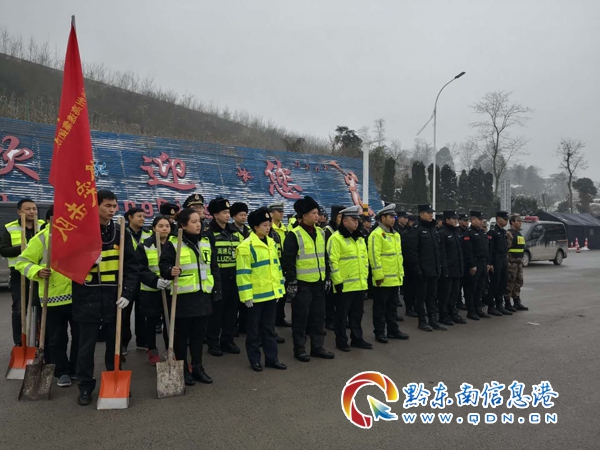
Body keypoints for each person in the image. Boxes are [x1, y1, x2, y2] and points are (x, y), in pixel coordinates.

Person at [73, 190, 138, 406]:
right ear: (96, 206)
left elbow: (132, 267)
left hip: (114, 298)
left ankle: (115, 379)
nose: (112, 210)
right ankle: (85, 386)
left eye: (114, 206)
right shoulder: (80, 232)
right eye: (107, 206)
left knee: (114, 344)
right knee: (86, 347)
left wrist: (127, 293)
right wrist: (86, 261)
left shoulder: (121, 232)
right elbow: (67, 265)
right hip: (87, 298)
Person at [16, 205, 79, 387]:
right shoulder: (42, 238)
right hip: (52, 297)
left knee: (80, 336)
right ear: (52, 218)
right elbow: (22, 261)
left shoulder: (77, 236)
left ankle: (76, 368)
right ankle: (62, 371)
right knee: (57, 338)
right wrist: (37, 271)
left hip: (78, 296)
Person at [160, 208, 221, 386]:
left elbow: (213, 267)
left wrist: (217, 291)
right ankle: (183, 369)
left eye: (198, 221)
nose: (198, 225)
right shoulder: (173, 243)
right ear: (183, 225)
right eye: (193, 222)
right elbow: (164, 265)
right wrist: (169, 271)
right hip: (183, 298)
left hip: (202, 296)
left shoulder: (205, 242)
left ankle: (198, 367)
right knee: (182, 336)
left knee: (198, 335)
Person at [282, 196, 334, 362]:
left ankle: (317, 347)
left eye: (317, 213)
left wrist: (327, 277)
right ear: (304, 216)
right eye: (313, 213)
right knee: (301, 318)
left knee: (318, 317)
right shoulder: (294, 234)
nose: (317, 216)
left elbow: (324, 257)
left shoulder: (321, 232)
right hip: (302, 284)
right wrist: (292, 281)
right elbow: (288, 260)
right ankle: (300, 349)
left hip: (318, 283)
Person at [236, 207, 287, 372]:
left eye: (269, 224)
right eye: (264, 225)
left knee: (269, 329)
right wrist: (246, 296)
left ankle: (272, 359)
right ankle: (254, 359)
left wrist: (279, 290)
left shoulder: (271, 242)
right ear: (255, 227)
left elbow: (276, 268)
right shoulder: (246, 246)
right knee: (253, 331)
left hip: (271, 294)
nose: (268, 228)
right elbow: (243, 273)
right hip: (255, 297)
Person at [0, 198, 45, 346]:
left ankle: (41, 341)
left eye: (34, 209)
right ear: (19, 212)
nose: (32, 212)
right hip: (19, 275)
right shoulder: (10, 228)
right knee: (19, 309)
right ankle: (20, 343)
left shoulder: (43, 226)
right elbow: (3, 250)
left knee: (41, 309)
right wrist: (23, 249)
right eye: (28, 209)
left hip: (39, 274)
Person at [328, 205, 372, 351]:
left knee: (357, 314)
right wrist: (337, 281)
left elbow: (364, 260)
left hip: (359, 283)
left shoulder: (359, 238)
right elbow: (332, 261)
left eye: (357, 220)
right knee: (341, 316)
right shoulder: (336, 238)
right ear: (344, 221)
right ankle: (341, 341)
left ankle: (357, 339)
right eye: (353, 220)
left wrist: (365, 278)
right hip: (344, 285)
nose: (356, 222)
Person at [206, 197, 243, 357]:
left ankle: (227, 340)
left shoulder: (235, 232)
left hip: (234, 277)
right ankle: (213, 342)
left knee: (231, 312)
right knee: (216, 313)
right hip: (218, 278)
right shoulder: (208, 233)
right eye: (224, 212)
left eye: (228, 212)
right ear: (215, 215)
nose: (228, 215)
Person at [368, 204, 409, 343]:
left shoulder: (396, 235)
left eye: (394, 217)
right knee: (380, 307)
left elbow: (398, 257)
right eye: (391, 217)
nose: (393, 219)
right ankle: (379, 332)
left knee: (392, 307)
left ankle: (393, 330)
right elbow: (374, 257)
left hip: (394, 278)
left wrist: (400, 273)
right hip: (383, 279)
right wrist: (378, 275)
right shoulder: (376, 235)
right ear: (383, 218)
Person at [136, 216, 172, 366]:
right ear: (154, 228)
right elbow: (140, 268)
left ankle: (170, 350)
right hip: (151, 290)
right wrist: (155, 281)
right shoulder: (145, 246)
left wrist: (171, 279)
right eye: (161, 226)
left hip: (170, 289)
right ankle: (152, 350)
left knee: (170, 322)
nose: (164, 229)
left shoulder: (175, 244)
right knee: (151, 322)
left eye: (167, 226)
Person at [404, 204, 445, 332]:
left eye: (431, 213)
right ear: (421, 214)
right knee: (421, 296)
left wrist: (438, 266)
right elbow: (412, 251)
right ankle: (422, 321)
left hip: (433, 269)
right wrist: (417, 269)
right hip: (422, 270)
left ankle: (433, 320)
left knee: (432, 296)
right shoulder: (416, 229)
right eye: (428, 213)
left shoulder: (433, 228)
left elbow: (437, 250)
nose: (431, 215)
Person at [122, 207, 152, 354]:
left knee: (142, 311)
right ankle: (123, 342)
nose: (142, 219)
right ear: (130, 217)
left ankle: (142, 340)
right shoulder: (122, 233)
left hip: (144, 277)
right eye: (139, 216)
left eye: (144, 216)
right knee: (125, 313)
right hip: (127, 278)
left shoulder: (149, 234)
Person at [438, 210, 467, 326]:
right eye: (454, 219)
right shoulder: (442, 233)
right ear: (447, 220)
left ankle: (453, 313)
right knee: (445, 294)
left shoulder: (456, 232)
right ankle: (443, 315)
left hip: (457, 268)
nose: (456, 221)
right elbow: (442, 253)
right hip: (448, 270)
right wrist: (444, 270)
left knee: (455, 293)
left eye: (456, 219)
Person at [462, 210, 491, 321]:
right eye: (479, 219)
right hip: (475, 263)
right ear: (473, 220)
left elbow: (486, 249)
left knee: (480, 287)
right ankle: (471, 311)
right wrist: (472, 265)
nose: (481, 221)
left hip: (483, 263)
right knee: (471, 288)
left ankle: (478, 308)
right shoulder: (468, 233)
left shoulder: (481, 232)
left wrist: (487, 262)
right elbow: (468, 251)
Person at [269, 201, 291, 328]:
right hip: (272, 265)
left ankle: (280, 317)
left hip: (283, 265)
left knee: (282, 294)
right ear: (271, 213)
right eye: (279, 211)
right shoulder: (269, 229)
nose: (282, 214)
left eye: (282, 211)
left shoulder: (285, 229)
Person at [486, 211, 512, 316]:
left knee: (503, 283)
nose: (506, 221)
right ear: (498, 219)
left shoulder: (503, 232)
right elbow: (490, 249)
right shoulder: (492, 232)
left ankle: (499, 305)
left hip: (503, 259)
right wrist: (490, 263)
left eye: (507, 220)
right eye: (504, 219)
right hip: (495, 259)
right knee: (494, 283)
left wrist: (507, 260)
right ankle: (491, 306)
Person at [323, 205, 344, 330]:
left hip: (341, 271)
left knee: (339, 299)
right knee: (330, 298)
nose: (341, 219)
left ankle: (338, 319)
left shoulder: (342, 231)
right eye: (340, 217)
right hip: (331, 270)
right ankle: (329, 320)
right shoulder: (327, 231)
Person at [506, 214, 529, 312]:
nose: (520, 223)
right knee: (509, 283)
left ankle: (516, 301)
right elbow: (505, 249)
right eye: (518, 221)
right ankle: (507, 303)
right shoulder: (509, 234)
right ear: (512, 222)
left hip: (519, 262)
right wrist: (507, 262)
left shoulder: (519, 234)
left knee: (518, 282)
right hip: (511, 263)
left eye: (521, 221)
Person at [456, 213, 470, 311]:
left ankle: (467, 301)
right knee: (459, 284)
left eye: (467, 220)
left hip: (467, 261)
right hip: (460, 261)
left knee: (467, 283)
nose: (467, 222)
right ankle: (458, 301)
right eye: (464, 220)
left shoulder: (468, 231)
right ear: (459, 221)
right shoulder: (457, 231)